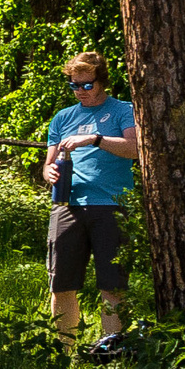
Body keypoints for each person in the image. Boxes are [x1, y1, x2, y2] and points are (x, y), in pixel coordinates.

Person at [43, 50, 139, 352]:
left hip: (111, 205)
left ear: (102, 81)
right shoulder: (63, 117)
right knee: (61, 284)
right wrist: (49, 172)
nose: (80, 91)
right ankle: (65, 351)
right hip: (66, 206)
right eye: (74, 85)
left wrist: (95, 139)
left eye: (87, 85)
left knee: (112, 285)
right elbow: (49, 163)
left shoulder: (124, 110)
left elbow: (134, 149)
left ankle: (112, 351)